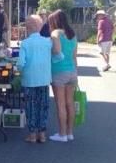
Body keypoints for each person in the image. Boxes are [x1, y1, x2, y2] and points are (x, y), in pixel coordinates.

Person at [17, 15, 54, 143]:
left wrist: (20, 71)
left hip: (29, 80)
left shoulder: (25, 43)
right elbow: (57, 57)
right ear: (40, 27)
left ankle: (32, 135)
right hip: (44, 79)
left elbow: (21, 63)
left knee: (30, 107)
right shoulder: (48, 42)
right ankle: (42, 134)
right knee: (43, 106)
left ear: (28, 28)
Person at [48, 10, 78, 142]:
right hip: (72, 72)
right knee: (69, 103)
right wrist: (76, 73)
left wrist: (50, 50)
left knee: (60, 105)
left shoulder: (55, 33)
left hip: (59, 72)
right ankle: (70, 133)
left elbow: (57, 51)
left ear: (55, 21)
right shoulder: (73, 34)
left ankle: (62, 134)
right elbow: (74, 56)